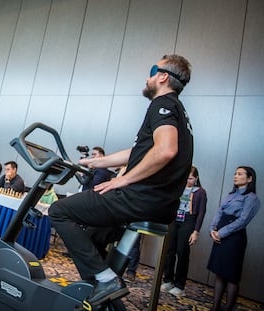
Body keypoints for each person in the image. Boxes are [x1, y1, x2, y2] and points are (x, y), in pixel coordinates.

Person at [49, 54, 193, 307]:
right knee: (92, 236)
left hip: (141, 197)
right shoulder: (177, 111)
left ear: (163, 77)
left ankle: (106, 280)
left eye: (152, 70)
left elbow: (166, 150)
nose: (147, 77)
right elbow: (138, 152)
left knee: (59, 211)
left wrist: (122, 180)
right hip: (157, 202)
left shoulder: (164, 105)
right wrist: (95, 163)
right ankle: (104, 293)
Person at [207, 166, 260, 311]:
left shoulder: (252, 198)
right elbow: (220, 211)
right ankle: (215, 307)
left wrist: (221, 233)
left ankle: (228, 308)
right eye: (235, 173)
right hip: (220, 232)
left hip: (234, 237)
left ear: (249, 179)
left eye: (240, 174)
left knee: (231, 275)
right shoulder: (231, 195)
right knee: (219, 272)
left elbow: (242, 221)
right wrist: (213, 229)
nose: (236, 176)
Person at [161, 165, 207, 297]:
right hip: (175, 219)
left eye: (191, 178)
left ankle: (180, 285)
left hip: (188, 220)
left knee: (182, 252)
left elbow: (202, 213)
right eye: (186, 177)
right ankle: (168, 280)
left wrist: (196, 231)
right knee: (169, 250)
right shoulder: (178, 188)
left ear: (196, 178)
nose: (188, 180)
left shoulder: (200, 192)